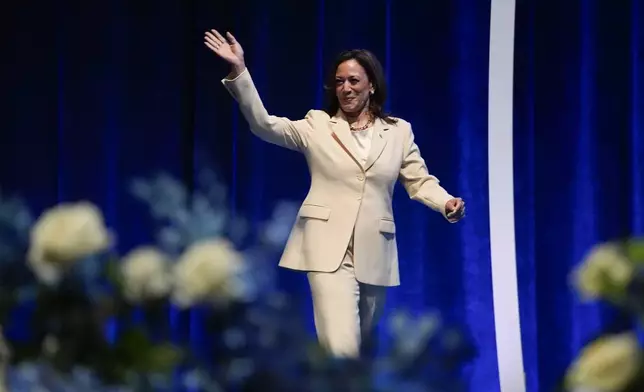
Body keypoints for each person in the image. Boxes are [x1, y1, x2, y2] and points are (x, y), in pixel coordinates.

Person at [204, 29, 466, 358]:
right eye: (339, 81)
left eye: (354, 81)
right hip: (327, 250)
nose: (346, 88)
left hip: (374, 250)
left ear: (371, 85)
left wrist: (446, 203)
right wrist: (238, 71)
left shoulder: (398, 131)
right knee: (341, 348)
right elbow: (263, 124)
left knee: (360, 355)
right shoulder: (317, 125)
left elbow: (419, 180)